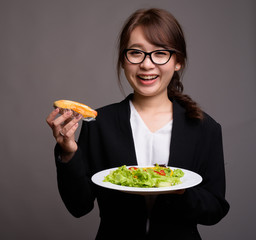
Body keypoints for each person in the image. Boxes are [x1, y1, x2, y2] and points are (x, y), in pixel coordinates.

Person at [46, 8, 229, 239]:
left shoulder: (204, 128)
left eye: (160, 53)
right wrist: (69, 152)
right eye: (136, 53)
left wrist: (182, 191)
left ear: (178, 61)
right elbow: (79, 206)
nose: (146, 64)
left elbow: (215, 210)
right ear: (124, 60)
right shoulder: (99, 124)